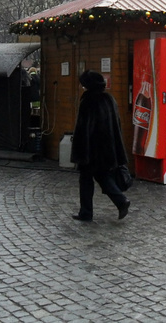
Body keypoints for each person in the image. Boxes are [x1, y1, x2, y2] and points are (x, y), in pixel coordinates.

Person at [70, 70, 130, 221]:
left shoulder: (88, 100)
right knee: (102, 176)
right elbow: (117, 124)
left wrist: (81, 152)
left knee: (86, 180)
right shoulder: (109, 98)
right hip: (108, 148)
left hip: (92, 150)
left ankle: (87, 212)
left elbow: (84, 129)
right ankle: (120, 201)